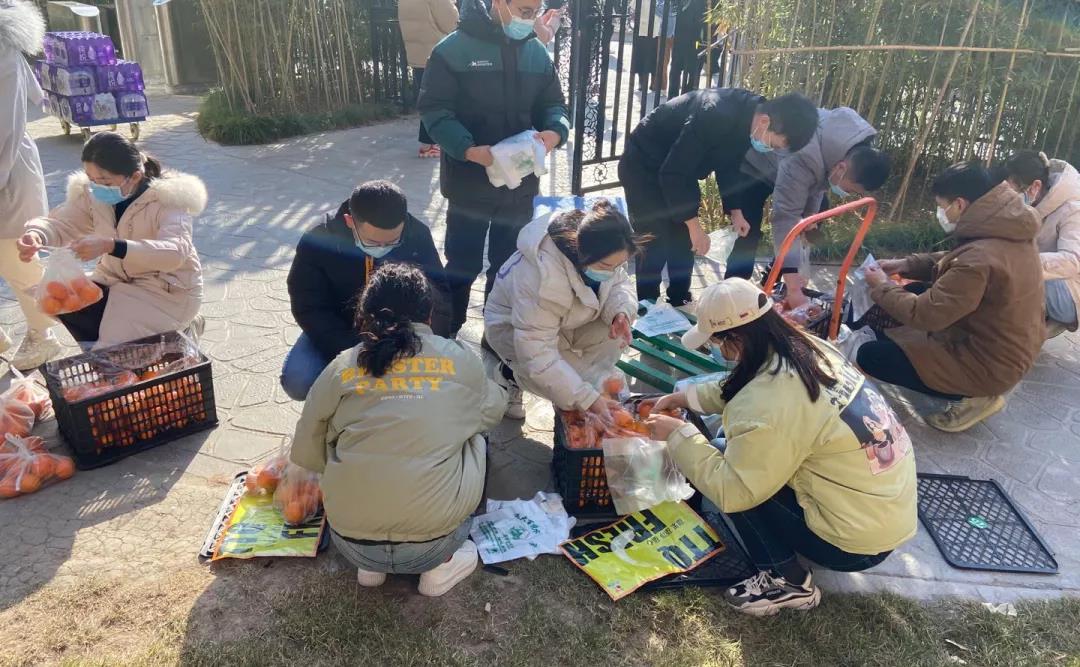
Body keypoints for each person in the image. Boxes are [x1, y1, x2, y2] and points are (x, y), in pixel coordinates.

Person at [645, 278, 916, 616]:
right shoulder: (807, 347)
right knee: (726, 444)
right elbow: (748, 385)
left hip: (854, 545)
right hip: (883, 514)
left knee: (731, 470)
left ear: (736, 339)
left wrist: (678, 435)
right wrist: (686, 397)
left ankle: (787, 580)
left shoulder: (771, 402)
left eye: (716, 341)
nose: (717, 350)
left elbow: (734, 490)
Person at [290, 263, 507, 597]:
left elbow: (307, 451)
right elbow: (494, 411)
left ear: (365, 315)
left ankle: (372, 568)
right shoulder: (460, 359)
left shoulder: (342, 365)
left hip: (353, 545)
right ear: (429, 314)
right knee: (475, 431)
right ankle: (441, 567)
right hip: (434, 543)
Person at [418, 0, 570, 337]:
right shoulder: (452, 50)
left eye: (535, 11)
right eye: (525, 10)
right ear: (499, 3)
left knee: (508, 264)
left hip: (520, 181)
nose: (530, 18)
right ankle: (447, 331)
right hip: (470, 179)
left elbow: (554, 104)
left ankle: (496, 333)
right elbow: (434, 109)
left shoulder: (536, 52)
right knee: (462, 263)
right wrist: (468, 149)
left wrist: (555, 131)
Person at [856, 162, 1045, 432]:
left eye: (941, 206)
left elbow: (925, 315)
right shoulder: (1007, 228)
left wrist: (882, 285)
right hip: (1003, 347)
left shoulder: (980, 257)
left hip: (989, 365)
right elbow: (956, 260)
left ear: (959, 204)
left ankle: (973, 396)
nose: (940, 213)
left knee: (871, 356)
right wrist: (906, 264)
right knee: (915, 293)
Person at [618, 89, 818, 306]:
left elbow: (729, 165)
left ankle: (679, 300)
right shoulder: (715, 114)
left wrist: (736, 211)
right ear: (764, 121)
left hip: (679, 170)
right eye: (774, 144)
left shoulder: (748, 117)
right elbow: (673, 173)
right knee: (654, 242)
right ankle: (647, 306)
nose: (769, 149)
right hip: (644, 166)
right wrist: (694, 226)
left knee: (683, 240)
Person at [17, 132, 205, 349]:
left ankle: (181, 332)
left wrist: (112, 246)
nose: (97, 186)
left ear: (135, 176)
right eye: (91, 179)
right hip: (115, 279)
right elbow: (63, 223)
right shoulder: (93, 194)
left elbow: (175, 252)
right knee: (62, 301)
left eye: (105, 181)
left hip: (167, 291)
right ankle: (122, 353)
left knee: (111, 347)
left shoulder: (169, 200)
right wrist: (37, 234)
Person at [282, 180, 451, 401]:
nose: (383, 249)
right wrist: (354, 351)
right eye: (373, 242)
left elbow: (438, 294)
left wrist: (423, 341)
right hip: (339, 328)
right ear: (350, 221)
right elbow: (308, 305)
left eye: (393, 242)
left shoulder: (417, 233)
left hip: (401, 332)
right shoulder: (318, 239)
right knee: (298, 381)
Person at [484, 200, 644, 420]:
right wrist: (586, 398)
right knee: (569, 383)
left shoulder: (605, 249)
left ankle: (591, 388)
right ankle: (510, 375)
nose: (611, 271)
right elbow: (538, 354)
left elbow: (620, 283)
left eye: (617, 265)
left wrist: (621, 312)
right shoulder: (541, 277)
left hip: (568, 318)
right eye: (606, 267)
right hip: (516, 329)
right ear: (581, 251)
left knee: (613, 339)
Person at [723, 106, 891, 307]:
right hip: (756, 166)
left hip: (790, 167)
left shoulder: (850, 145)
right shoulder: (804, 153)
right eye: (851, 190)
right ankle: (732, 296)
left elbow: (819, 181)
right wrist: (794, 288)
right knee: (748, 232)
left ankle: (772, 280)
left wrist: (810, 216)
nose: (848, 194)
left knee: (817, 213)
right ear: (841, 168)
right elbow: (785, 218)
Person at [0, 0, 61, 369]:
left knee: (16, 256)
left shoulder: (2, 49)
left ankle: (43, 334)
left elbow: (6, 126)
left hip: (7, 169)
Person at [1002, 150, 1080, 338]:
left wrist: (1020, 262)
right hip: (1041, 274)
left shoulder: (1073, 209)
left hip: (1071, 289)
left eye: (1014, 193)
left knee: (1007, 281)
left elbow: (1073, 260)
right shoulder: (1032, 205)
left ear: (1035, 186)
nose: (1010, 199)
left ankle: (1014, 340)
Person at [398, 0, 459, 158]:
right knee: (439, 99)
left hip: (418, 53)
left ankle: (427, 144)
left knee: (427, 98)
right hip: (436, 51)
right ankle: (429, 143)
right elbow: (451, 22)